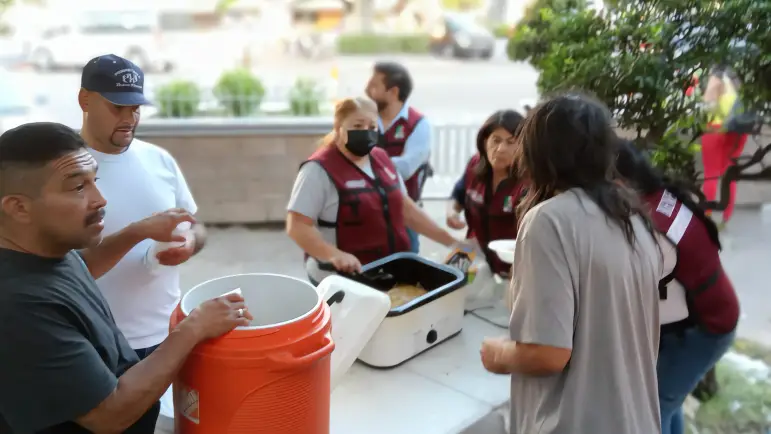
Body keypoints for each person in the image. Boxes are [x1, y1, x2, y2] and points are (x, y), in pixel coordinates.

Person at [0, 122, 251, 433]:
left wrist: (138, 231)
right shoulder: (19, 307)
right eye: (78, 187)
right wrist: (194, 327)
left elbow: (82, 266)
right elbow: (108, 414)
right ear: (19, 208)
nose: (100, 199)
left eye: (95, 181)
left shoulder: (46, 251)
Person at [479, 94, 670, 434]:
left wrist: (499, 353)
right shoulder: (633, 219)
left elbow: (548, 354)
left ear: (538, 152)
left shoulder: (549, 220)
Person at [78, 54, 205, 359]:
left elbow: (197, 225)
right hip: (93, 342)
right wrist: (139, 232)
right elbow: (59, 266)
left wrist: (190, 242)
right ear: (84, 100)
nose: (128, 119)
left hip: (168, 333)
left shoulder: (159, 159)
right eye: (116, 107)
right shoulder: (62, 168)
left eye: (134, 109)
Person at [616, 139, 739, 434]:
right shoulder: (661, 198)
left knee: (651, 411)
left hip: (702, 330)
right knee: (665, 403)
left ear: (617, 181)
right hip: (706, 316)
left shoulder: (646, 223)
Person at [286, 96, 459, 285]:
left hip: (390, 271)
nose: (366, 133)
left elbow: (405, 209)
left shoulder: (382, 159)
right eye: (358, 126)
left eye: (372, 127)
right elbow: (297, 226)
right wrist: (333, 255)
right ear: (338, 127)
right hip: (343, 279)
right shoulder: (318, 170)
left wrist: (451, 241)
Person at [366, 61, 432, 253]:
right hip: (368, 214)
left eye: (374, 86)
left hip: (405, 214)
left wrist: (366, 164)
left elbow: (405, 168)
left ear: (393, 92)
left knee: (407, 270)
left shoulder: (419, 124)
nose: (367, 90)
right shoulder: (364, 118)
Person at [700, 64, 749, 225]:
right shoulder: (736, 82)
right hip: (738, 132)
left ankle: (706, 216)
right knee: (730, 174)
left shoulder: (715, 80)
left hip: (715, 130)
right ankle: (726, 217)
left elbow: (708, 107)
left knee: (711, 174)